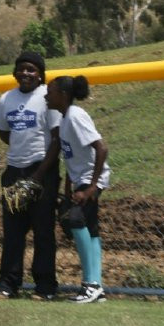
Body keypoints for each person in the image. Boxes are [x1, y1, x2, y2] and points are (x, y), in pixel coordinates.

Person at [0, 51, 59, 302]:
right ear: (15, 72)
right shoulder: (7, 98)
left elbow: (57, 138)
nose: (26, 73)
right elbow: (4, 132)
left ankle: (45, 286)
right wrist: (18, 155)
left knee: (42, 231)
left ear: (40, 74)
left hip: (43, 170)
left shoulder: (48, 97)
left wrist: (39, 174)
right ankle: (8, 284)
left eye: (32, 69)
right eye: (21, 69)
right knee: (13, 230)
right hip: (14, 170)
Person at [46, 75, 111, 304]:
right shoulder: (65, 119)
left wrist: (92, 187)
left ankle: (90, 284)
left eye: (50, 91)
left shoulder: (75, 116)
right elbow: (70, 157)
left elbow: (101, 148)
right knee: (90, 229)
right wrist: (69, 188)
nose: (46, 95)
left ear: (63, 95)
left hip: (91, 179)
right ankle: (97, 287)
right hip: (81, 180)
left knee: (76, 221)